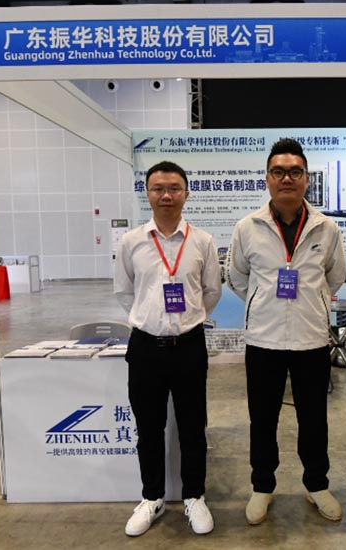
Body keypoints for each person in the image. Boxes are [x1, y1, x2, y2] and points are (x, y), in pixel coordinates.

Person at [226, 138, 346, 525]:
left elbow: (334, 277)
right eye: (278, 172)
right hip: (264, 340)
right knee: (262, 419)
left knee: (315, 419)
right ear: (267, 178)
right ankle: (262, 486)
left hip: (311, 339)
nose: (287, 179)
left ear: (306, 178)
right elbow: (237, 277)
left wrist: (311, 303)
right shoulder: (248, 227)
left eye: (295, 172)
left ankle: (316, 485)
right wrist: (264, 302)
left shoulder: (326, 228)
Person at [114, 160, 222, 537]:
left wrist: (187, 318)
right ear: (147, 193)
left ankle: (194, 495)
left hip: (189, 346)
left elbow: (211, 291)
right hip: (145, 347)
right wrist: (149, 319)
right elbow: (123, 291)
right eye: (158, 188)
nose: (166, 195)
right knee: (149, 428)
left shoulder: (202, 241)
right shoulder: (132, 241)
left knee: (193, 428)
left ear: (186, 193)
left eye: (174, 188)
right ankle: (152, 497)